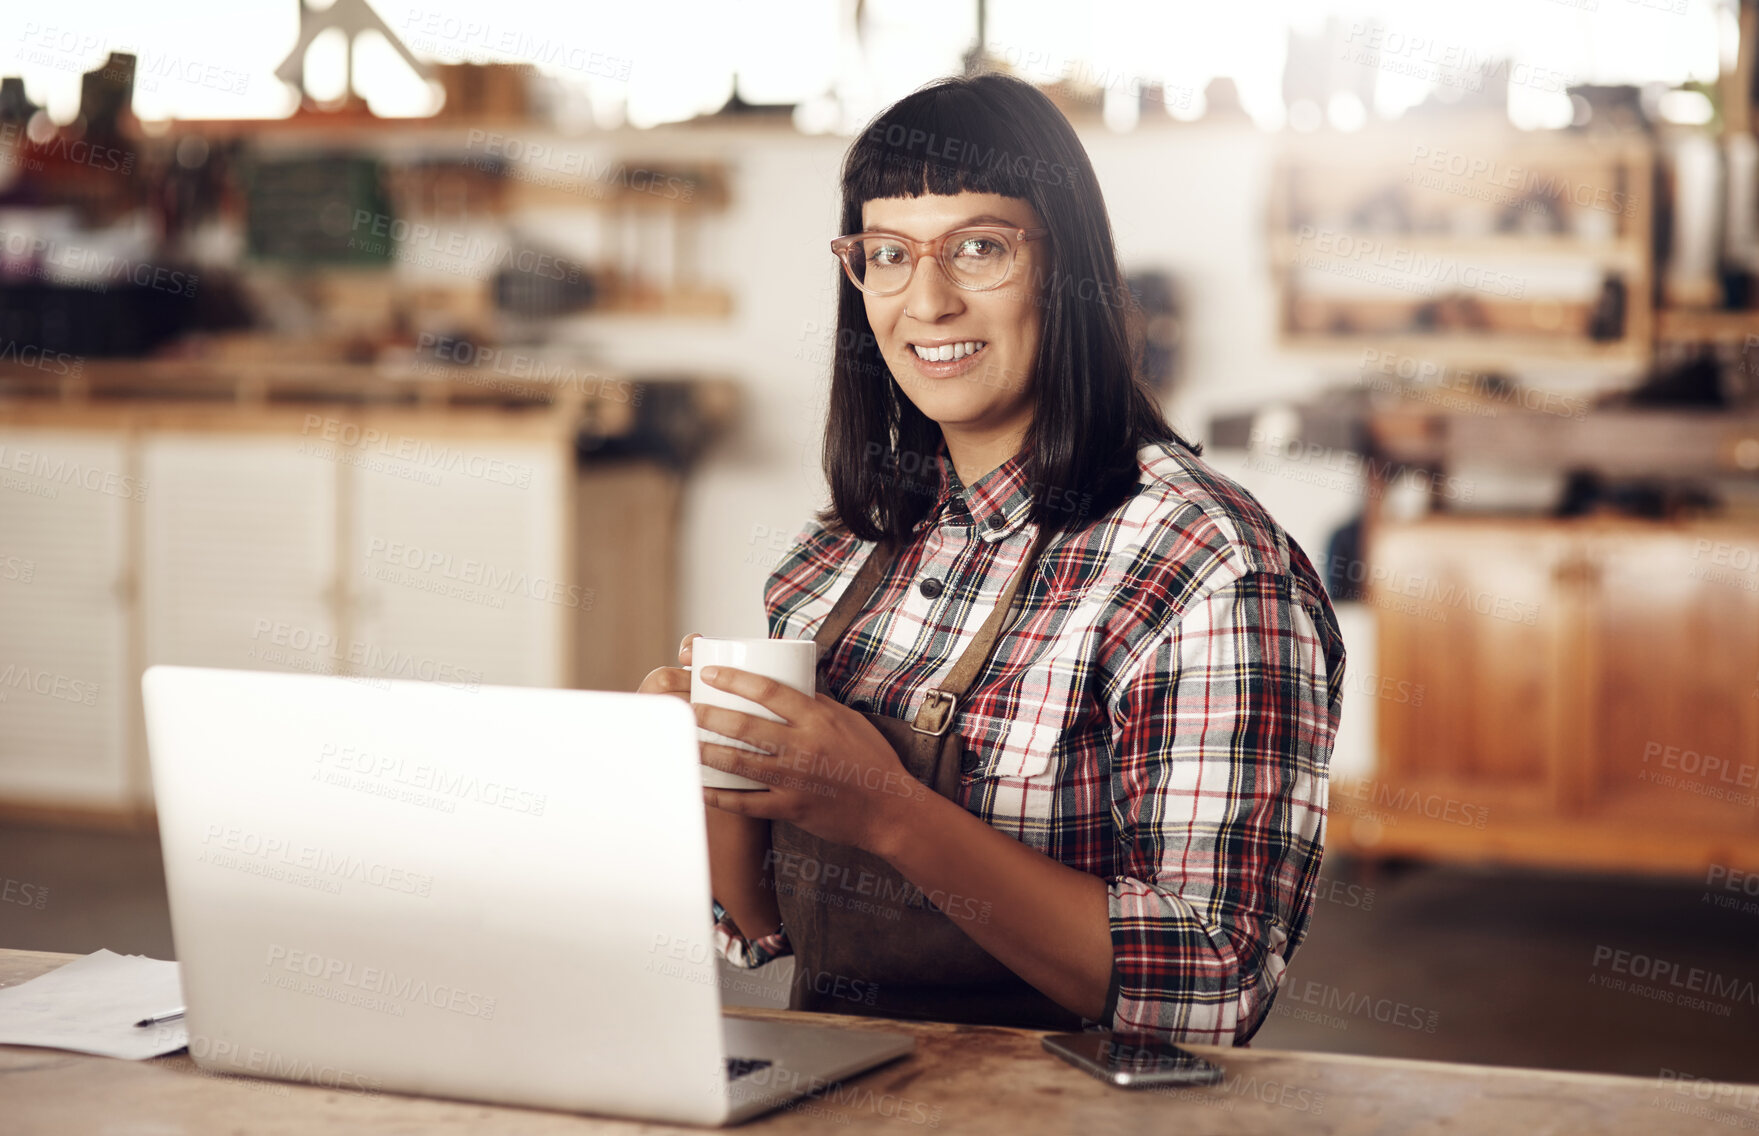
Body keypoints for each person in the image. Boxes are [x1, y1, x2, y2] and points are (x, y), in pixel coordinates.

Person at [639, 73, 1345, 1045]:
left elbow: (1213, 985)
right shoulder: (839, 552)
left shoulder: (1208, 569)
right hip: (847, 1091)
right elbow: (765, 928)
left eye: (979, 246)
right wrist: (700, 773)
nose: (925, 299)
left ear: (1069, 266)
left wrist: (888, 808)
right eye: (886, 253)